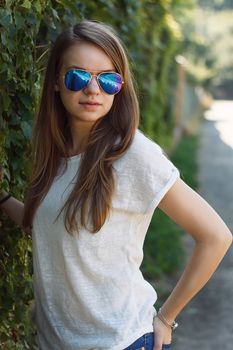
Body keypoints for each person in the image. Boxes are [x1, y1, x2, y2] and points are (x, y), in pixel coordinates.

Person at [0, 19, 232, 350]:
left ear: (119, 86)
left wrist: (166, 318)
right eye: (78, 76)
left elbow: (216, 236)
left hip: (120, 341)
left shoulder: (132, 154)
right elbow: (45, 225)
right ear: (55, 82)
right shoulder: (55, 154)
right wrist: (3, 197)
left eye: (107, 79)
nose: (93, 90)